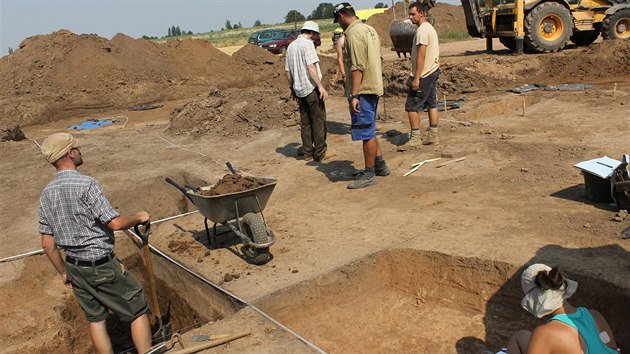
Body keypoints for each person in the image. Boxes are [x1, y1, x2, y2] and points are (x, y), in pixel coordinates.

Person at [38, 132, 152, 354]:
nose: (80, 151)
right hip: (100, 264)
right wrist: (138, 217)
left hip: (74, 267)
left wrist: (63, 272)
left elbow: (47, 243)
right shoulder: (86, 184)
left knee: (96, 319)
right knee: (137, 310)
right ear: (70, 153)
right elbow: (116, 223)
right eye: (77, 148)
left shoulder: (46, 194)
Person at [334, 2, 390, 189]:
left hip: (364, 89)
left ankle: (369, 173)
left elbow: (357, 67)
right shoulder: (369, 29)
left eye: (338, 20)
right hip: (373, 86)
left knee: (365, 132)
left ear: (342, 16)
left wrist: (353, 95)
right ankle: (380, 164)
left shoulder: (353, 33)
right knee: (370, 130)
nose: (339, 24)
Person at [506, 263, 618, 354]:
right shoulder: (595, 315)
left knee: (517, 339)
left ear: (534, 299)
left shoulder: (544, 334)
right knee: (521, 336)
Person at [285, 20, 334, 162]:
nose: (316, 37)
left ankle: (307, 152)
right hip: (311, 89)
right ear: (311, 33)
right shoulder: (308, 45)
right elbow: (311, 67)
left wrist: (292, 87)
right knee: (318, 120)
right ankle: (320, 153)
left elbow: (287, 71)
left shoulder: (291, 46)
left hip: (298, 89)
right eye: (316, 34)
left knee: (305, 122)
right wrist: (320, 86)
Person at [403, 1, 441, 148]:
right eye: (409, 14)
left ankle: (415, 138)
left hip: (424, 75)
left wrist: (416, 78)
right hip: (432, 71)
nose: (410, 17)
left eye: (413, 14)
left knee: (411, 106)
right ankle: (433, 134)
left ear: (422, 13)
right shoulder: (429, 28)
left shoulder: (422, 31)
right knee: (431, 103)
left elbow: (421, 55)